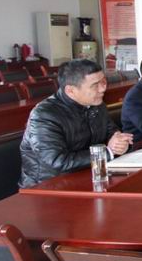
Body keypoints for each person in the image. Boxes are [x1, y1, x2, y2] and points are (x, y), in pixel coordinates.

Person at [19, 59, 133, 188]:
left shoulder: (96, 104)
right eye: (95, 85)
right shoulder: (44, 115)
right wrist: (108, 151)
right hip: (47, 187)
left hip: (89, 175)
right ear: (71, 91)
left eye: (103, 82)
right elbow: (57, 161)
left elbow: (112, 133)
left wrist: (121, 143)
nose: (103, 88)